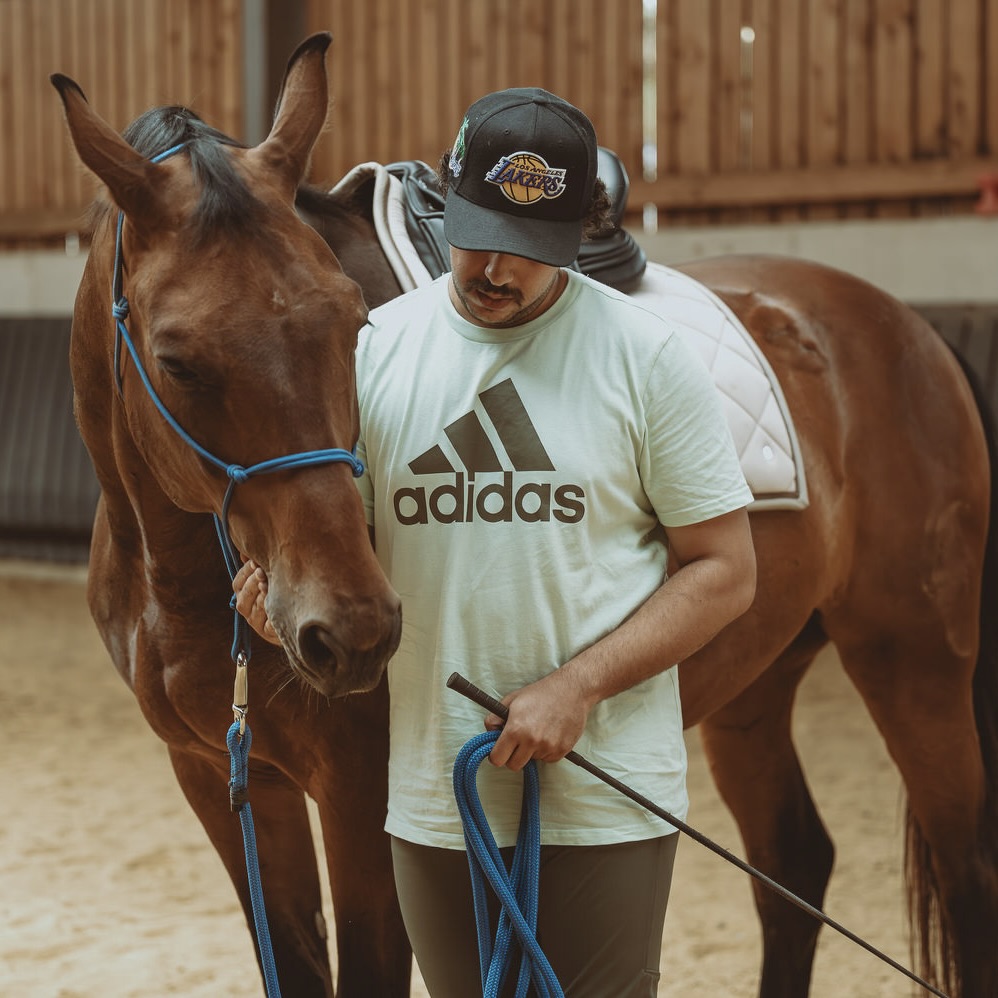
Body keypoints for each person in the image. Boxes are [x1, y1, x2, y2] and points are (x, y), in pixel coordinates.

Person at [235, 87, 756, 997]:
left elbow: (726, 570)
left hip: (603, 797)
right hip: (438, 799)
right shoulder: (373, 352)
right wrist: (284, 606)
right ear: (448, 208)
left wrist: (578, 686)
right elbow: (355, 549)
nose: (497, 270)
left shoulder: (646, 355)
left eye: (530, 248)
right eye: (478, 237)